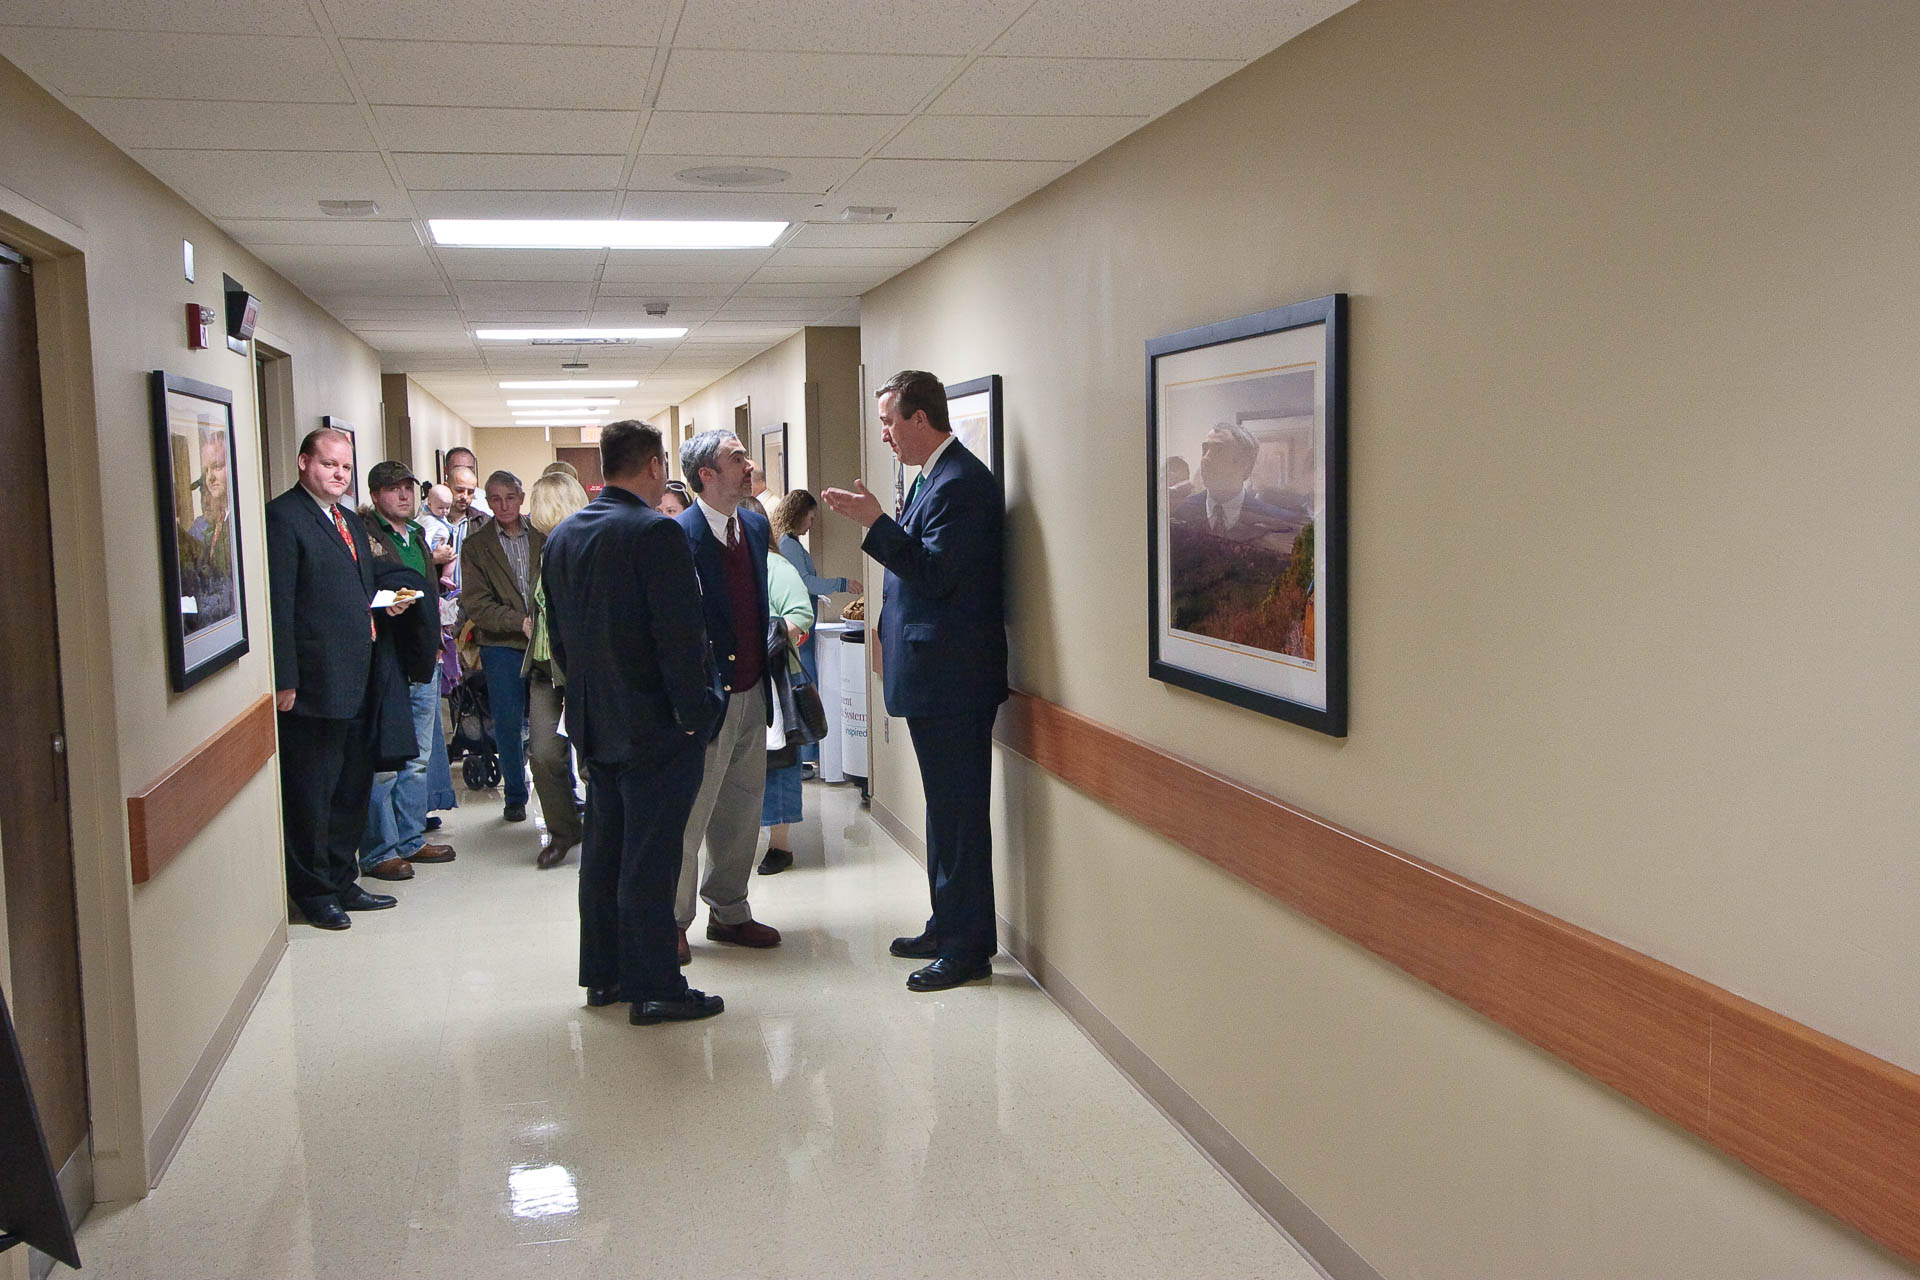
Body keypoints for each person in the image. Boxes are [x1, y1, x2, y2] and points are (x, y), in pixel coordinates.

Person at [821, 370, 1008, 991]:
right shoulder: (932, 478)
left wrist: (876, 525)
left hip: (955, 681)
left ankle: (968, 948)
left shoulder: (962, 485)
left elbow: (936, 574)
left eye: (888, 421)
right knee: (944, 811)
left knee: (958, 815)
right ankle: (946, 922)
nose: (884, 434)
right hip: (930, 673)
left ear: (919, 419)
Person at [542, 420, 725, 1025]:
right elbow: (679, 639)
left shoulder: (565, 536)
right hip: (657, 726)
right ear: (653, 465)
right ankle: (655, 988)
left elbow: (562, 642)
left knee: (607, 853)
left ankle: (605, 975)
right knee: (651, 860)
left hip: (596, 722)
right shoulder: (656, 534)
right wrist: (699, 715)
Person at [265, 427, 422, 931]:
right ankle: (313, 891)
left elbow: (362, 583)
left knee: (352, 788)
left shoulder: (350, 522)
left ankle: (341, 877)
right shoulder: (284, 518)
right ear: (303, 463)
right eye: (330, 464)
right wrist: (284, 678)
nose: (339, 474)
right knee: (314, 792)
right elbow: (280, 604)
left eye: (346, 468)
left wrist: (392, 598)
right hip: (313, 686)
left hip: (360, 678)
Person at [673, 429, 782, 959]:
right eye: (736, 458)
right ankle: (672, 922)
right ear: (706, 477)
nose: (750, 464)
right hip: (705, 696)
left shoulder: (756, 528)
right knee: (690, 813)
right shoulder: (677, 535)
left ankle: (730, 911)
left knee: (742, 808)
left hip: (753, 688)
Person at [357, 460, 458, 880]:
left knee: (418, 757)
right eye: (392, 489)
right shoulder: (365, 536)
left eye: (407, 488)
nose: (403, 495)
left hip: (423, 658)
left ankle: (412, 839)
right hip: (386, 664)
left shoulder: (416, 533)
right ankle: (380, 850)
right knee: (385, 761)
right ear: (376, 494)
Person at [461, 470, 541, 823]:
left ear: (522, 498)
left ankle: (564, 786)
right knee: (507, 723)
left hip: (542, 645)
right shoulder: (476, 546)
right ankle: (515, 795)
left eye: (510, 497)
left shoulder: (543, 537)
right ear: (487, 502)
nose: (503, 505)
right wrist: (516, 622)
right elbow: (476, 604)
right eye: (495, 498)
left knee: (548, 722)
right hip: (500, 646)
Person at [523, 470, 589, 869]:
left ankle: (606, 831)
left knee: (593, 757)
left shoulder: (588, 549)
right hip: (545, 670)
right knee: (544, 755)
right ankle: (565, 830)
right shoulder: (545, 549)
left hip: (583, 668)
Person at [757, 532, 815, 875]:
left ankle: (780, 844)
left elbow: (801, 613)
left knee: (779, 760)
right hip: (737, 676)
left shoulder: (776, 567)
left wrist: (767, 639)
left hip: (777, 675)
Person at [1170, 423, 1305, 544]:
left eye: (1219, 450)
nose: (1205, 458)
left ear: (1245, 465)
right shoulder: (1178, 512)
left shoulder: (1280, 522)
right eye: (1205, 449)